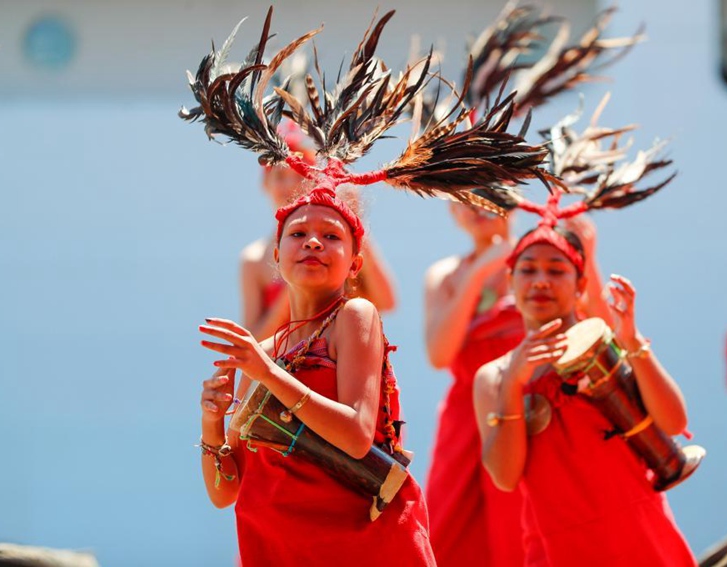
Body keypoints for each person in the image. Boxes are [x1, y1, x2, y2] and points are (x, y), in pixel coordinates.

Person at [198, 188, 436, 566]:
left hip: (357, 545)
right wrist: (211, 422)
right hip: (276, 546)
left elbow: (357, 436)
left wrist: (269, 374)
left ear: (355, 265)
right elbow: (225, 492)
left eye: (331, 236)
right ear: (277, 258)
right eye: (297, 234)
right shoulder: (263, 353)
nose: (312, 242)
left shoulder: (354, 316)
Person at [473, 222, 697, 566]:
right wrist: (514, 385)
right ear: (511, 283)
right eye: (528, 270)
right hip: (557, 547)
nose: (541, 281)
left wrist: (633, 343)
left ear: (581, 286)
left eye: (557, 270)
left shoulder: (608, 343)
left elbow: (673, 422)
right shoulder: (495, 377)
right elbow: (504, 477)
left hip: (640, 535)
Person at [423, 198, 610, 566]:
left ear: (515, 201)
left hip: (540, 409)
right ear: (452, 210)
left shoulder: (540, 263)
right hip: (467, 419)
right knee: (449, 532)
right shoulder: (445, 274)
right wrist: (478, 272)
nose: (479, 206)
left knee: (529, 527)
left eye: (490, 195)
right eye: (465, 197)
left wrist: (588, 258)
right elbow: (438, 355)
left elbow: (603, 334)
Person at [239, 127, 397, 341]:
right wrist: (294, 287)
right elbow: (253, 342)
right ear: (265, 184)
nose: (290, 185)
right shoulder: (254, 259)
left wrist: (354, 223)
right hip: (280, 365)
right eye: (280, 176)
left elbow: (386, 301)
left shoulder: (337, 247)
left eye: (299, 176)